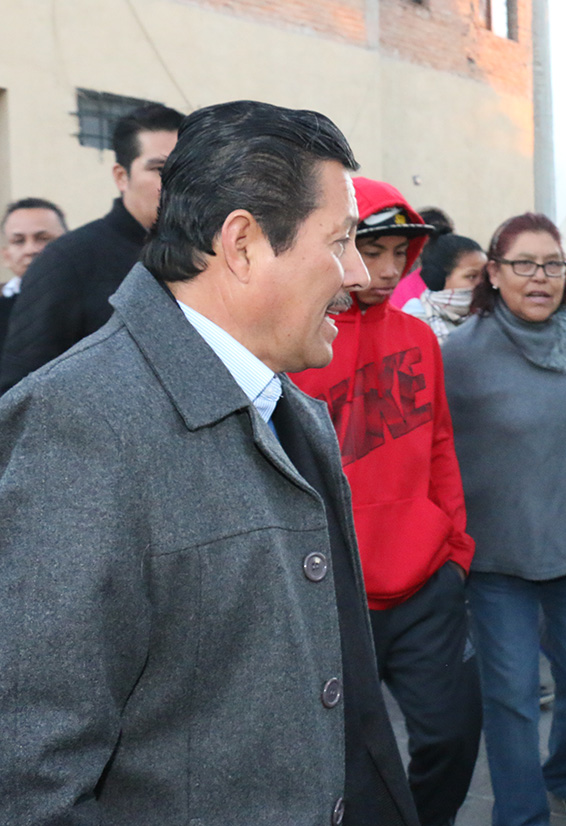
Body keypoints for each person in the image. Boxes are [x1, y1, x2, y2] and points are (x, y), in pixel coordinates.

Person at [0, 100, 419, 825]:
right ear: (244, 243)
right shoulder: (78, 424)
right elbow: (32, 774)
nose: (357, 274)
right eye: (342, 241)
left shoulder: (296, 410)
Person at [289, 176, 480, 826]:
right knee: (352, 765)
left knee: (451, 737)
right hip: (335, 596)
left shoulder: (419, 337)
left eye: (401, 254)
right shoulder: (296, 342)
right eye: (374, 249)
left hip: (427, 582)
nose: (387, 269)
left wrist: (454, 549)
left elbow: (440, 450)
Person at [441, 212, 566, 826]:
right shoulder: (460, 355)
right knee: (513, 695)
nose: (540, 277)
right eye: (523, 264)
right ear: (494, 274)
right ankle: (521, 813)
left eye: (552, 264)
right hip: (498, 552)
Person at [0, 103, 183, 393]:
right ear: (121, 177)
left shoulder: (207, 255)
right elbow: (19, 389)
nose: (175, 182)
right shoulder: (69, 260)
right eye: (159, 169)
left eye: (184, 168)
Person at [0, 198, 67, 364]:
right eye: (18, 241)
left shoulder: (90, 299)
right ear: (5, 254)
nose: (31, 250)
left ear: (69, 243)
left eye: (43, 238)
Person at [403, 233, 487, 342]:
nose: (482, 283)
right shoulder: (414, 322)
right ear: (440, 278)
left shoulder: (490, 317)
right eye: (471, 276)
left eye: (485, 276)